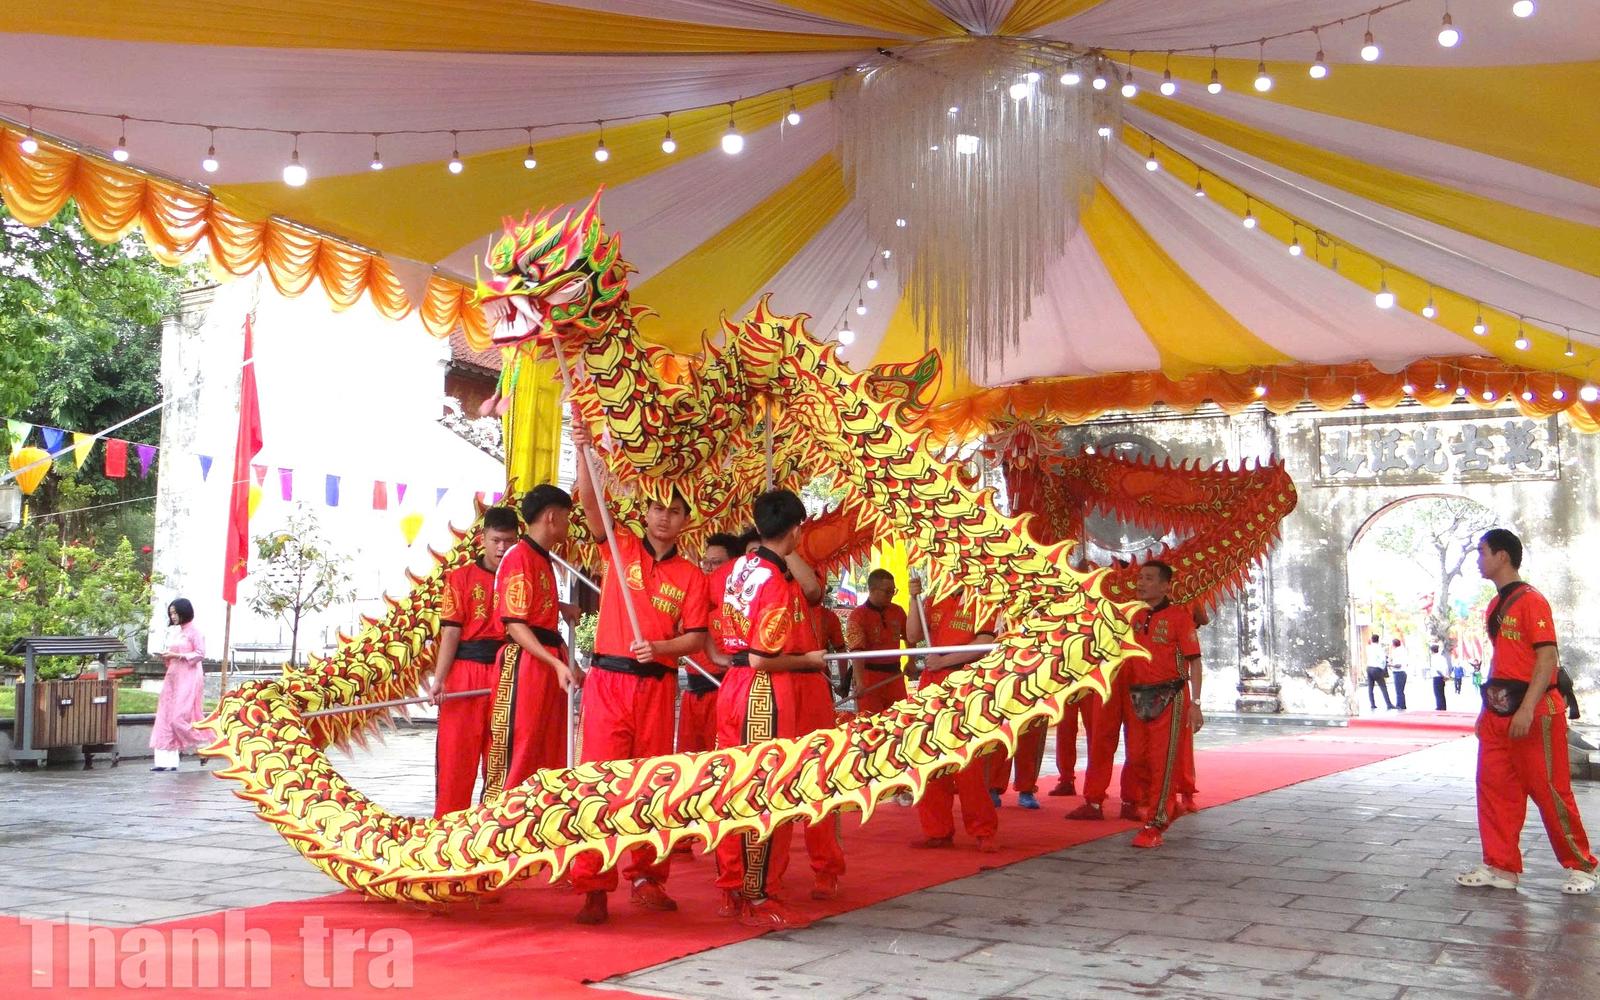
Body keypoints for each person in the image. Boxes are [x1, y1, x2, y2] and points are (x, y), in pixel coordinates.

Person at [567, 424, 709, 924]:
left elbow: (697, 638)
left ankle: (648, 878)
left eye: (675, 510)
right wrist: (583, 449)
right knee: (599, 783)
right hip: (608, 683)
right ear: (645, 512)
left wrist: (662, 648)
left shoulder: (691, 576)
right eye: (657, 508)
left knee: (652, 786)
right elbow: (591, 504)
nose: (664, 517)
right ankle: (592, 884)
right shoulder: (620, 547)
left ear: (686, 520)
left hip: (657, 686)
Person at [1456, 528, 1597, 895]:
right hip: (1498, 714)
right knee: (1494, 788)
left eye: (1483, 552)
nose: (1478, 560)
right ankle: (1501, 867)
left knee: (1550, 790)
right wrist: (1486, 711)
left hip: (1535, 712)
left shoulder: (1532, 601)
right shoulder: (1494, 606)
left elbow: (1547, 657)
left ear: (1502, 556)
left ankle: (1582, 866)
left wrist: (1528, 708)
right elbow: (1501, 661)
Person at [714, 489, 828, 928]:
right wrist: (809, 660)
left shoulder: (738, 568)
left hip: (733, 686)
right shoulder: (776, 582)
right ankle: (759, 894)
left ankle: (733, 886)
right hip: (763, 690)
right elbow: (764, 658)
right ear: (796, 531)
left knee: (734, 787)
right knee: (767, 790)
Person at [429, 506, 519, 816]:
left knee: (501, 761)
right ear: (483, 539)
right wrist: (440, 679)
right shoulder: (460, 578)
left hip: (507, 672)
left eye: (508, 541)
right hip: (465, 674)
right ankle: (446, 829)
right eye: (496, 540)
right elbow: (451, 633)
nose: (502, 548)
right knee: (456, 758)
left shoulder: (521, 577)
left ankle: (495, 831)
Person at [490, 486, 578, 799]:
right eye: (566, 517)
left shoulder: (542, 559)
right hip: (525, 663)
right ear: (552, 517)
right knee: (521, 747)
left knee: (549, 747)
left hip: (546, 661)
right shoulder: (519, 557)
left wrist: (566, 661)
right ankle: (501, 818)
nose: (568, 525)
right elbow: (515, 624)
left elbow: (540, 618)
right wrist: (555, 662)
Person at [771, 553, 847, 900]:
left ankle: (826, 867)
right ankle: (769, 873)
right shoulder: (756, 581)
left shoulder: (804, 580)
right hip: (770, 684)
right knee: (774, 779)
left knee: (817, 777)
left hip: (810, 684)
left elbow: (813, 589)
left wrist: (785, 547)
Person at [908, 576, 999, 851]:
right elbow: (912, 636)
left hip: (964, 682)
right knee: (928, 758)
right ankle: (937, 829)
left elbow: (984, 642)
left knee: (968, 762)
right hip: (931, 683)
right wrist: (913, 598)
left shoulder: (983, 598)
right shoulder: (934, 598)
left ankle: (983, 830)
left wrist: (945, 660)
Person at [1124, 561, 1203, 849]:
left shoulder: (1179, 617)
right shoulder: (1133, 616)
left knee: (1163, 761)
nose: (1141, 583)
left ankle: (1155, 824)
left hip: (1170, 695)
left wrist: (1196, 703)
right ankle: (1164, 806)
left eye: (1148, 578)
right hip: (1137, 696)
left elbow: (1195, 662)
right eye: (1139, 578)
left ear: (1165, 586)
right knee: (1137, 758)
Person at [676, 532, 743, 757]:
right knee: (688, 763)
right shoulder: (694, 598)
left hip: (722, 691)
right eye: (706, 562)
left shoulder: (739, 604)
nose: (709, 569)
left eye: (716, 563)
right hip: (692, 695)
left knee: (720, 761)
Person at [151, 598, 206, 772]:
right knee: (165, 715)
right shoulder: (176, 633)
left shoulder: (195, 632)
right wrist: (167, 656)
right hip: (173, 676)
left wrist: (177, 656)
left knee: (179, 717)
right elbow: (174, 655)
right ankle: (165, 761)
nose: (173, 616)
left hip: (189, 676)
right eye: (171, 613)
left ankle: (203, 744)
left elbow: (200, 654)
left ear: (184, 612)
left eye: (175, 613)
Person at [845, 569, 909, 716]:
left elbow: (909, 637)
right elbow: (857, 651)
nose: (891, 595)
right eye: (887, 591)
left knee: (900, 719)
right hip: (869, 678)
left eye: (893, 591)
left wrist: (911, 661)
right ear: (872, 590)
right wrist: (860, 681)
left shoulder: (898, 611)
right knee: (870, 722)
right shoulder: (858, 616)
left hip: (895, 676)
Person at [1048, 698, 1094, 798]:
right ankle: (1066, 780)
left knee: (1095, 729)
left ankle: (1096, 783)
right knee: (1065, 730)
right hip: (1067, 689)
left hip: (1091, 690)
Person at [1366, 634, 1393, 712]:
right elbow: (1383, 660)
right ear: (1378, 640)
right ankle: (1388, 704)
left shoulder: (1368, 648)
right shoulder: (1379, 648)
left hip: (1369, 667)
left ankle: (1372, 704)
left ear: (1372, 639)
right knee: (1383, 687)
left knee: (1370, 687)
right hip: (1377, 668)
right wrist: (1383, 668)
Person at [1389, 637, 1409, 710]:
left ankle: (1401, 705)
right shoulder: (1403, 650)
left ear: (1393, 644)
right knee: (1401, 691)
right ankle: (1400, 704)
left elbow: (1398, 665)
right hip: (1403, 672)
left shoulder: (1396, 652)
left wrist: (1390, 665)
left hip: (1398, 673)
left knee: (1399, 691)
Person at [1429, 643, 1448, 712]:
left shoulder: (1434, 658)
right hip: (1442, 677)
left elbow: (1437, 669)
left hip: (1437, 676)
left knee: (1437, 693)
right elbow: (1446, 667)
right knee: (1442, 693)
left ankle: (1439, 706)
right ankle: (1443, 706)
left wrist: (1443, 675)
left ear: (1432, 650)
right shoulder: (1442, 657)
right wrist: (1446, 676)